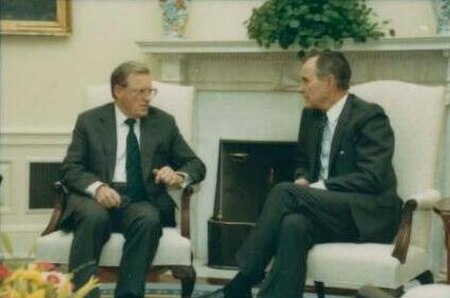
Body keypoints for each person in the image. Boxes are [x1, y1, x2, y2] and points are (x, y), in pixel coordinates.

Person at [201, 51, 403, 298]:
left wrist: (318, 187)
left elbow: (372, 177)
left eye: (306, 81)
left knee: (284, 192)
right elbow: (302, 161)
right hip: (330, 213)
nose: (300, 88)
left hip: (368, 214)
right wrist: (302, 178)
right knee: (292, 224)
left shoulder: (369, 116)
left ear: (329, 81)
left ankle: (243, 279)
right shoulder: (311, 115)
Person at [59, 61, 206, 298]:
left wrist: (178, 175)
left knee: (148, 219)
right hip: (95, 200)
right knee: (93, 217)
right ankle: (83, 296)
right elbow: (70, 168)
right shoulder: (89, 121)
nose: (147, 98)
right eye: (140, 91)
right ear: (118, 91)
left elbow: (196, 164)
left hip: (138, 201)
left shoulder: (163, 123)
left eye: (150, 91)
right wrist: (97, 188)